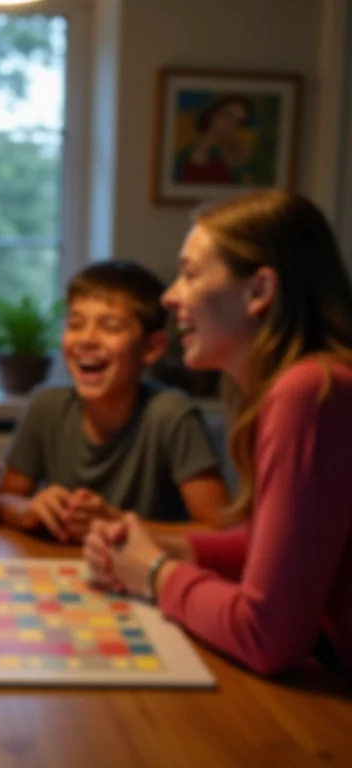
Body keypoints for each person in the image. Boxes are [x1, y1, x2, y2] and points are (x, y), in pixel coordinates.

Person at [85, 190, 352, 678]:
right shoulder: (307, 385)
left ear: (259, 291)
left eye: (189, 274)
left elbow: (267, 635)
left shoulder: (309, 391)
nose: (169, 297)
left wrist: (153, 573)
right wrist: (173, 549)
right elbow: (275, 544)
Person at [0, 261, 229, 543]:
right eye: (75, 324)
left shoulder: (171, 414)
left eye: (110, 326)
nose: (87, 339)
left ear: (152, 348)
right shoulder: (46, 406)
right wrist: (29, 508)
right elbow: (3, 498)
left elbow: (220, 530)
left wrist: (119, 524)